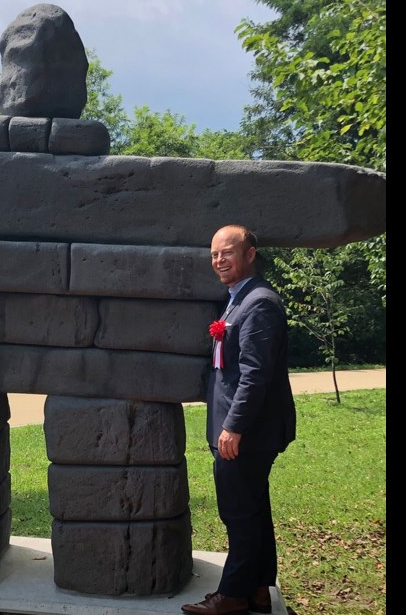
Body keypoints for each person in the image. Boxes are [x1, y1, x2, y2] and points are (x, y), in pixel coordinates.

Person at [181, 225, 296, 615]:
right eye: (214, 254)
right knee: (254, 510)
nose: (219, 260)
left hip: (247, 432)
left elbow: (255, 374)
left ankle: (231, 597)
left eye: (227, 252)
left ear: (250, 254)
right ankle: (259, 590)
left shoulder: (259, 302)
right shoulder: (237, 299)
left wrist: (234, 426)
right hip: (247, 430)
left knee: (239, 514)